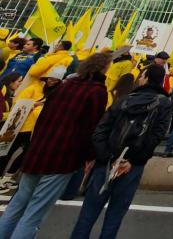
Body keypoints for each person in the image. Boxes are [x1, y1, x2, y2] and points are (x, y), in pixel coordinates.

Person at [0, 52, 110, 239]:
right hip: (62, 158)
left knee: (16, 205)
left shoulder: (63, 86)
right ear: (104, 68)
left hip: (37, 152)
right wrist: (89, 156)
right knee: (35, 213)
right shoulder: (97, 91)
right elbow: (90, 128)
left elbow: (42, 119)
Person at [69, 63, 172, 239]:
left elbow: (100, 130)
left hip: (106, 161)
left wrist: (106, 157)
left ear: (146, 78)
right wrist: (133, 160)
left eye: (141, 75)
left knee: (88, 213)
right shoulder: (164, 103)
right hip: (132, 166)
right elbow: (156, 136)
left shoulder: (123, 99)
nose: (139, 78)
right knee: (115, 216)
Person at [0, 67, 64, 193]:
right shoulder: (33, 88)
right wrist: (34, 105)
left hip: (38, 130)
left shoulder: (57, 93)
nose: (51, 82)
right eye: (50, 79)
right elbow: (19, 105)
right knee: (5, 152)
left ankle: (9, 177)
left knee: (25, 154)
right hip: (20, 127)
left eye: (55, 80)